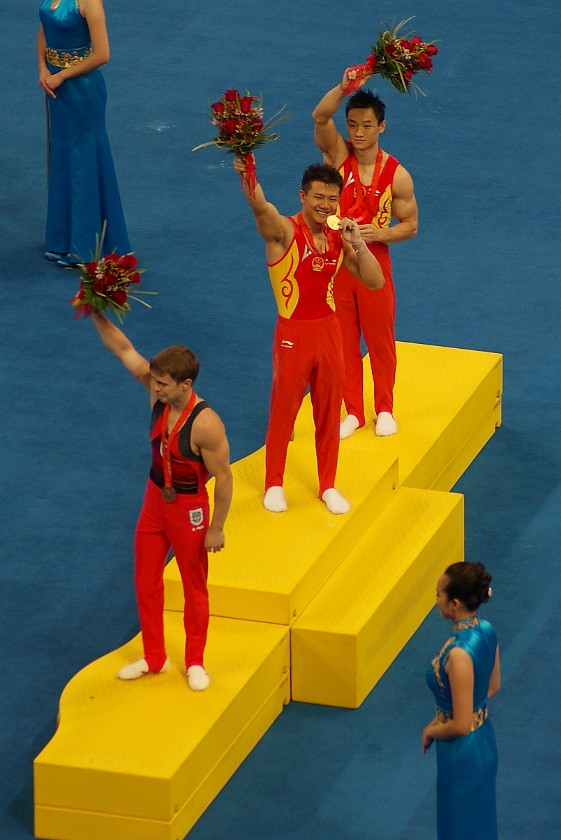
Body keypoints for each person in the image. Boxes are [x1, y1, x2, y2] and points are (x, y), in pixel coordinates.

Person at [233, 155, 384, 515]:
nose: (326, 205)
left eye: (333, 199)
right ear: (302, 196)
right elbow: (259, 206)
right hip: (293, 335)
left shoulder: (337, 240)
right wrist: (249, 167)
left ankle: (328, 484)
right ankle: (273, 483)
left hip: (330, 333)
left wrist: (359, 245)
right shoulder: (283, 232)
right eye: (319, 197)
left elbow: (375, 281)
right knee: (284, 411)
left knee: (329, 412)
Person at [91, 311, 233, 691]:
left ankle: (196, 660)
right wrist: (95, 311)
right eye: (155, 382)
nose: (156, 389)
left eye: (164, 385)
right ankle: (154, 657)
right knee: (145, 581)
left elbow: (225, 478)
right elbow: (123, 349)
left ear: (186, 385)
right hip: (155, 500)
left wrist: (216, 527)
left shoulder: (207, 424)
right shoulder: (158, 392)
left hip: (189, 510)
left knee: (193, 587)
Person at [312, 69, 418, 438]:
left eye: (366, 126)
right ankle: (353, 411)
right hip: (338, 262)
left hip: (375, 261)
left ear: (382, 127)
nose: (357, 133)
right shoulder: (337, 155)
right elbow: (320, 117)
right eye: (353, 125)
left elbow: (412, 225)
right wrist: (344, 87)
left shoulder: (397, 175)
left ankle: (384, 407)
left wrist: (382, 232)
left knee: (379, 338)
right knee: (343, 338)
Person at [38, 0, 129, 267]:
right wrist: (43, 69)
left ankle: (86, 246)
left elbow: (102, 54)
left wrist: (62, 75)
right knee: (63, 160)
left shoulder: (89, 2)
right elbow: (43, 32)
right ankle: (62, 240)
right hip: (57, 88)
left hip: (82, 91)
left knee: (83, 165)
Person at [422, 562, 500, 839]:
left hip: (461, 755)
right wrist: (455, 711)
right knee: (480, 823)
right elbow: (493, 685)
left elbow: (461, 724)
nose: (436, 600)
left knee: (458, 827)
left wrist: (432, 729)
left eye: (438, 594)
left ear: (454, 603)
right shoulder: (487, 630)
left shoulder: (458, 653)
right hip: (485, 743)